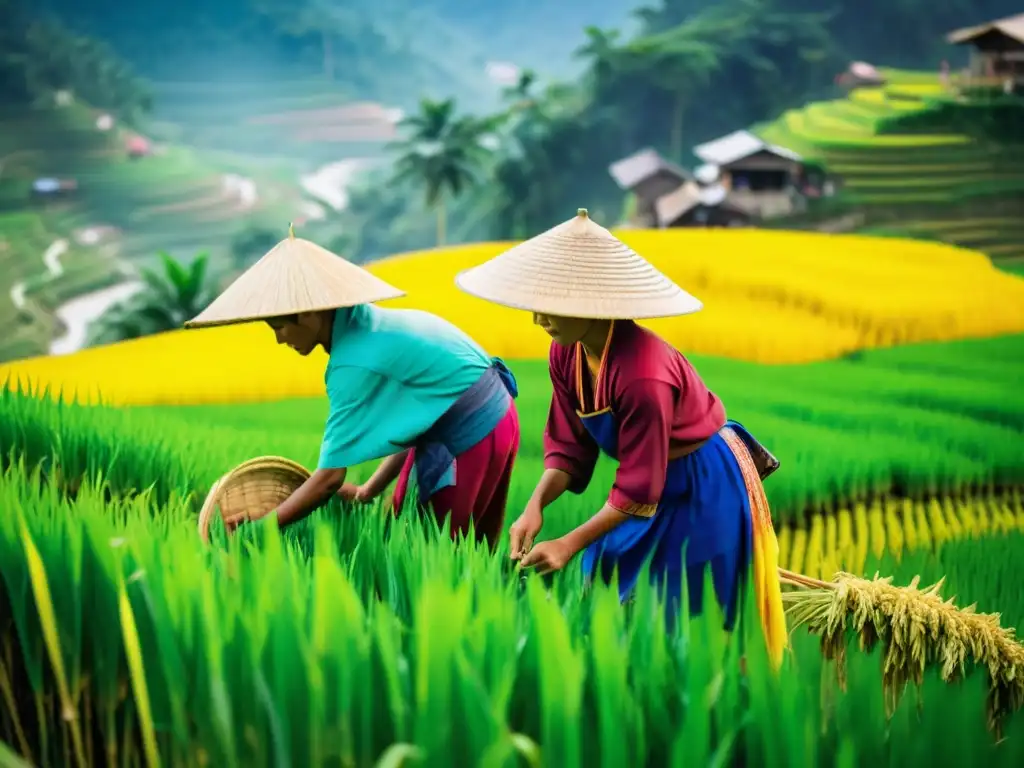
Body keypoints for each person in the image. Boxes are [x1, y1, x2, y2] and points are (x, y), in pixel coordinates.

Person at [453, 208, 787, 668]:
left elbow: (638, 489)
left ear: (591, 305)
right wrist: (535, 506)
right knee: (609, 580)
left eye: (549, 306)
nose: (536, 318)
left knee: (687, 615)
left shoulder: (642, 376)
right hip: (651, 483)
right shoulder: (566, 351)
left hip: (700, 485)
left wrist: (569, 543)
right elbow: (571, 446)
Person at [184, 226, 520, 549]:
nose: (279, 340)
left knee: (430, 552)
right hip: (499, 418)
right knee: (473, 551)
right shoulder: (368, 322)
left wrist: (259, 531)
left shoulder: (352, 364)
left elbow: (328, 479)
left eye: (279, 327)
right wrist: (370, 490)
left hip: (468, 436)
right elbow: (422, 419)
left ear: (309, 314)